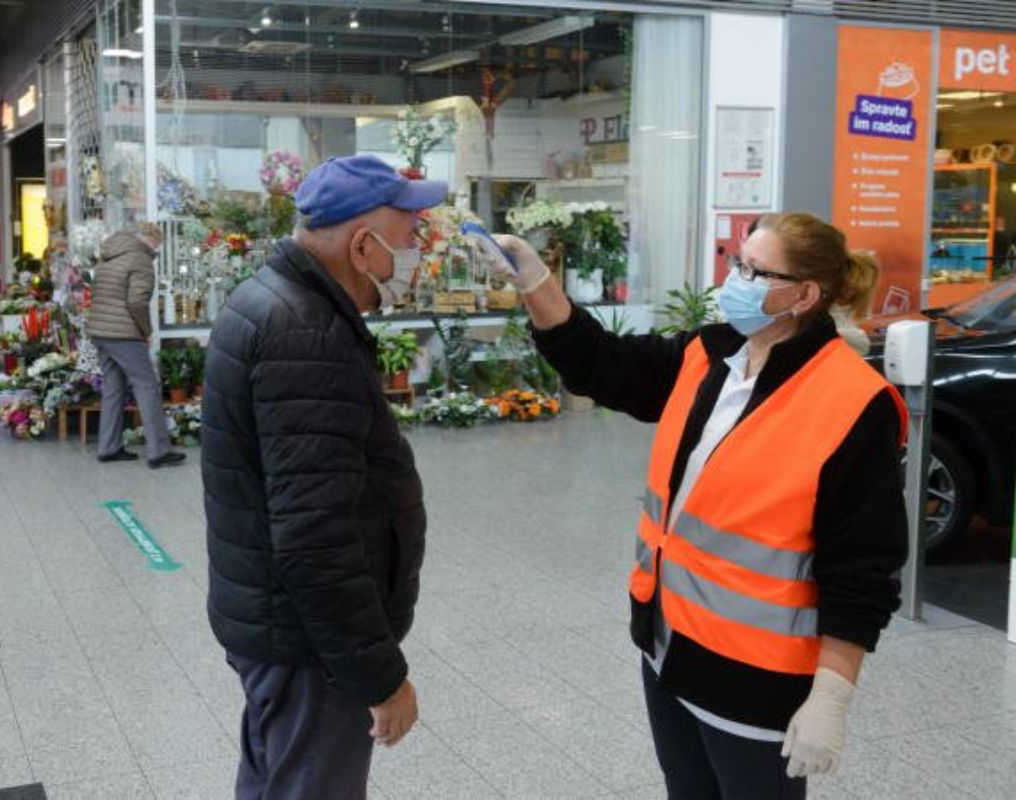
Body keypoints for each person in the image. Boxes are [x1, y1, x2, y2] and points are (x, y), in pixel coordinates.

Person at [481, 211, 907, 799]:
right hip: (669, 649)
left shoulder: (853, 403)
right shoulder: (710, 355)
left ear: (805, 295)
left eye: (756, 272)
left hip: (753, 681)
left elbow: (863, 565)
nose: (736, 281)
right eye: (738, 264)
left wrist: (832, 696)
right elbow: (602, 364)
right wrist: (536, 282)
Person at [203, 155, 441, 799]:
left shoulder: (274, 300)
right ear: (363, 246)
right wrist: (378, 675)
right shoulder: (305, 333)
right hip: (309, 645)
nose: (419, 251)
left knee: (275, 779)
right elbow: (316, 536)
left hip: (278, 622)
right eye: (411, 235)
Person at [87, 222, 185, 468]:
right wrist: (146, 331)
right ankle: (159, 451)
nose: (156, 249)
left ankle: (109, 447)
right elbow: (137, 302)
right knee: (147, 386)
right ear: (149, 239)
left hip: (100, 331)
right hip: (124, 332)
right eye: (157, 244)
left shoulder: (109, 255)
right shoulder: (140, 259)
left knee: (113, 388)